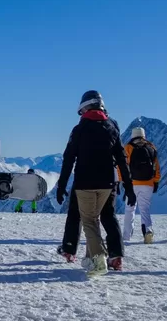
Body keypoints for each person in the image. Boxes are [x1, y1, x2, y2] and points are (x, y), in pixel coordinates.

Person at [56, 90, 135, 275]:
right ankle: (114, 256)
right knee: (108, 215)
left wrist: (61, 185)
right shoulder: (112, 127)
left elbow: (69, 159)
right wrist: (129, 186)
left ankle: (95, 258)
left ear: (85, 107)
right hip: (109, 183)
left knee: (88, 219)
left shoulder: (79, 129)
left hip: (84, 182)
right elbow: (122, 159)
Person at [122, 128, 161, 243]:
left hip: (132, 183)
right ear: (144, 136)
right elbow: (156, 167)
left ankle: (126, 236)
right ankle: (148, 231)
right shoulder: (151, 148)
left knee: (129, 209)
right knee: (145, 209)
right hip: (148, 184)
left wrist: (122, 181)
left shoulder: (128, 147)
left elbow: (123, 166)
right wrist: (156, 181)